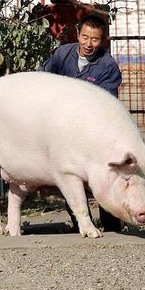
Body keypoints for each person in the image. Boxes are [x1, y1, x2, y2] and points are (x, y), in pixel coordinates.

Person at [40, 15, 123, 232]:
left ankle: (112, 225)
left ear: (103, 40)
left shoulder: (108, 66)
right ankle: (80, 223)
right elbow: (43, 80)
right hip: (65, 132)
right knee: (71, 176)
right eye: (84, 37)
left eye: (94, 39)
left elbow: (105, 103)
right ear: (77, 35)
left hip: (95, 133)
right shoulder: (62, 55)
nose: (88, 44)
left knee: (103, 178)